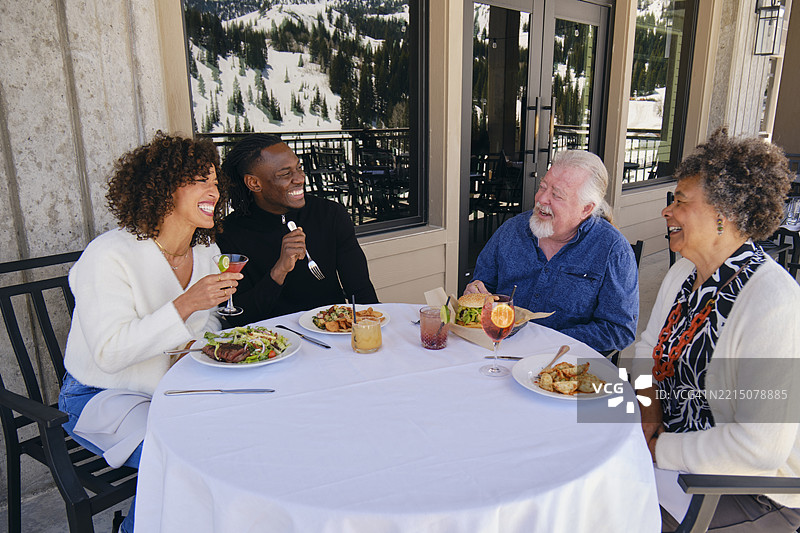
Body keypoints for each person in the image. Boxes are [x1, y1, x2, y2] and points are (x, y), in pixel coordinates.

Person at [58, 132, 240, 533]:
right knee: (183, 460)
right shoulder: (109, 254)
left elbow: (205, 325)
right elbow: (109, 353)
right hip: (100, 395)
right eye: (200, 180)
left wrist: (205, 345)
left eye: (215, 181)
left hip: (174, 388)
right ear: (163, 188)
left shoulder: (207, 252)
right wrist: (186, 303)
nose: (213, 191)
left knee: (244, 435)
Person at [632, 128, 800, 532]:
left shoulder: (774, 302)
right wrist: (648, 406)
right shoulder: (684, 275)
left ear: (723, 215)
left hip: (744, 485)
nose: (668, 211)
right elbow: (645, 348)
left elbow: (759, 448)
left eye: (681, 201)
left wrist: (658, 448)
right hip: (666, 447)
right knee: (574, 427)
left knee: (608, 512)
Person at [465, 150, 638, 353]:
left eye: (556, 195)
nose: (541, 198)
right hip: (499, 349)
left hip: (563, 361)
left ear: (586, 209)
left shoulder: (613, 251)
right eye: (543, 187)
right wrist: (476, 293)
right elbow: (484, 285)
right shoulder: (511, 231)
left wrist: (546, 342)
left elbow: (619, 330)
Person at [216, 133, 378, 324]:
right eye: (285, 174)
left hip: (330, 333)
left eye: (299, 168)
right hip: (271, 339)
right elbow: (239, 316)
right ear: (254, 183)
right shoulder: (230, 234)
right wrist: (279, 271)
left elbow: (360, 289)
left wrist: (374, 328)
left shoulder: (329, 215)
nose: (300, 178)